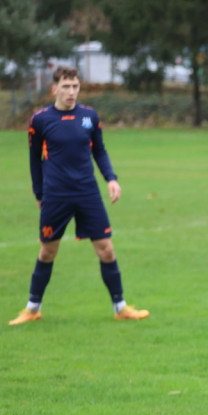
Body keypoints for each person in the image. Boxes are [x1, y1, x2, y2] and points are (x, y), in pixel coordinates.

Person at [10, 66, 149, 325]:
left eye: (75, 86)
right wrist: (39, 193)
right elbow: (34, 160)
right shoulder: (40, 120)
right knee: (47, 252)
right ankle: (32, 308)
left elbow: (100, 151)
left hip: (87, 193)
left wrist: (111, 178)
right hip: (56, 195)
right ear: (55, 89)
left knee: (106, 249)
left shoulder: (89, 117)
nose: (71, 92)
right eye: (66, 86)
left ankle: (120, 308)